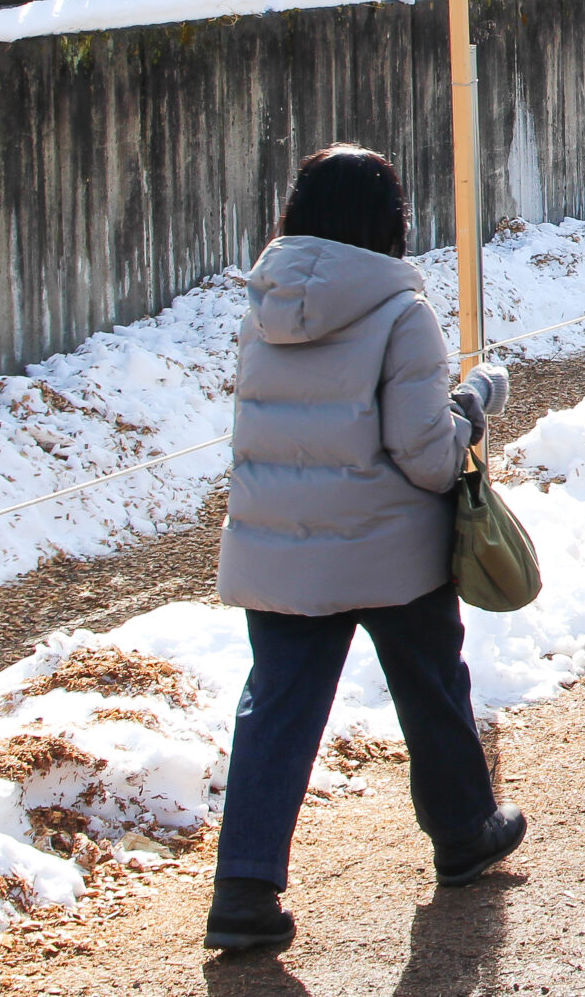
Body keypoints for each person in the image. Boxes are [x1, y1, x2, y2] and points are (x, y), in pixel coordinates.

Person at [207, 145, 523, 955]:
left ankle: (244, 886)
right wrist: (473, 408)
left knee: (276, 704)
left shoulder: (264, 301)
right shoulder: (399, 308)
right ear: (388, 218)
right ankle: (463, 832)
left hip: (278, 546)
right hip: (387, 548)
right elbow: (423, 453)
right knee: (429, 682)